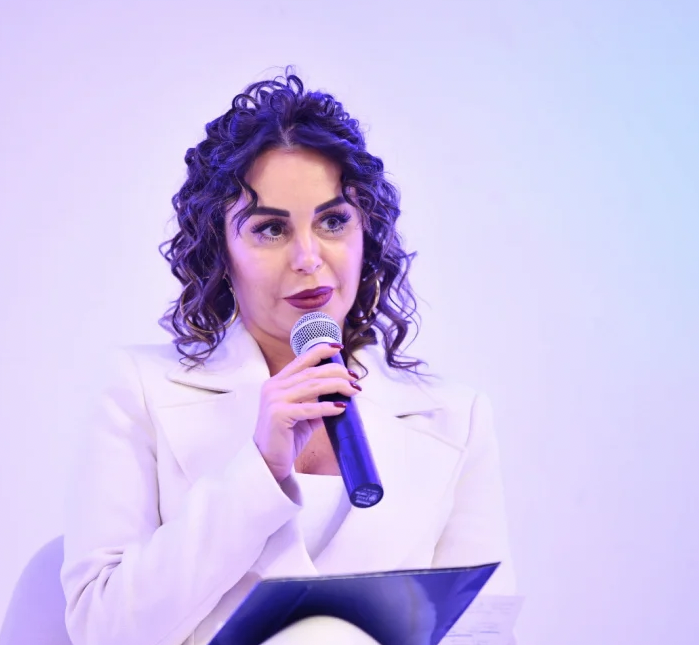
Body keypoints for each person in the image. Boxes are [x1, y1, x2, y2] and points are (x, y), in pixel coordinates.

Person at [60, 69, 517, 645]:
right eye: (270, 229)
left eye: (333, 221)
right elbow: (101, 629)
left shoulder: (455, 417)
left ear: (366, 233)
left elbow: (482, 634)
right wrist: (258, 471)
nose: (307, 257)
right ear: (221, 250)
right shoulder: (140, 391)